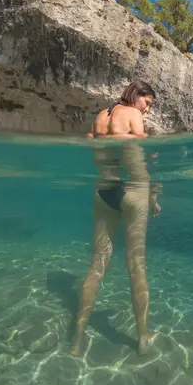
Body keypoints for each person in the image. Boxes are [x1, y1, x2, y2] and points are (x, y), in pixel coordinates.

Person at [71, 81, 161, 357]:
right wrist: (154, 195)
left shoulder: (101, 116)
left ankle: (76, 340)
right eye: (147, 104)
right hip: (134, 190)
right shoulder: (132, 114)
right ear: (137, 96)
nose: (146, 111)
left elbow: (96, 145)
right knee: (136, 264)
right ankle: (143, 337)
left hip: (105, 189)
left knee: (98, 262)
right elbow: (139, 158)